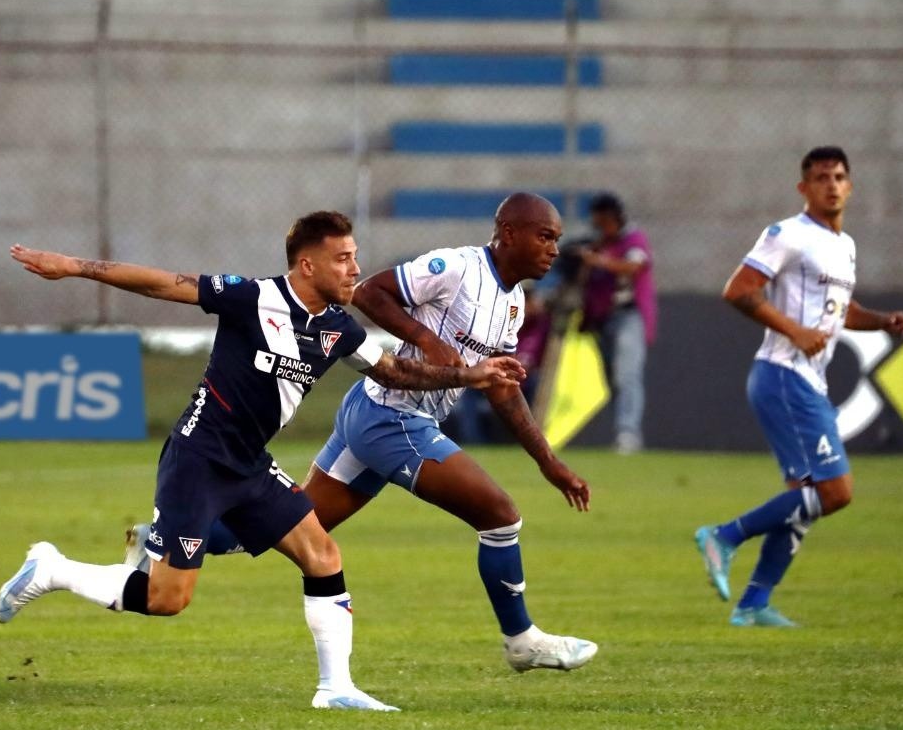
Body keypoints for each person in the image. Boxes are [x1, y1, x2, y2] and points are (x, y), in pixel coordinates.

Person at [0, 212, 525, 711]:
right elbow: (163, 283)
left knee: (322, 554)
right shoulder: (251, 297)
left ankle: (335, 688)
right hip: (198, 461)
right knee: (167, 599)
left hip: (250, 465)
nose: (356, 269)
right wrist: (75, 267)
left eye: (355, 256)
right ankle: (54, 569)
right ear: (308, 264)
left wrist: (468, 376)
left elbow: (392, 372)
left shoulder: (339, 328)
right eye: (343, 258)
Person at [184, 193, 598, 672]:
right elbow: (369, 292)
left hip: (373, 413)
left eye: (557, 240)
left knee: (293, 526)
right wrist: (428, 340)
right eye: (545, 236)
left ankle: (164, 538)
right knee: (501, 517)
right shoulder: (457, 268)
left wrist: (549, 462)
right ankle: (521, 639)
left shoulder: (514, 306)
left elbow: (501, 390)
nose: (553, 248)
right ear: (509, 233)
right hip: (392, 416)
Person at [693, 147, 903, 627]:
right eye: (820, 178)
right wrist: (793, 330)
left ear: (850, 185)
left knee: (806, 498)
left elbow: (841, 309)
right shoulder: (788, 235)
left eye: (838, 177)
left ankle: (753, 604)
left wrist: (881, 321)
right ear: (803, 188)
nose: (830, 185)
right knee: (836, 491)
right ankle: (723, 536)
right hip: (782, 375)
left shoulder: (844, 246)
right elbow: (738, 290)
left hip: (807, 379)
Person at [577, 193, 657, 454]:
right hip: (603, 319)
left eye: (603, 222)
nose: (600, 228)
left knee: (627, 373)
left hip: (629, 315)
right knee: (613, 378)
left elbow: (634, 266)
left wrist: (597, 260)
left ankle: (628, 433)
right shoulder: (600, 243)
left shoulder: (633, 239)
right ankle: (623, 431)